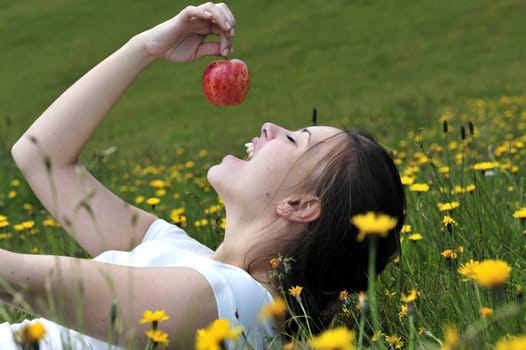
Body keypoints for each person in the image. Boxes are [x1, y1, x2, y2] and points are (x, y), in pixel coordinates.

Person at [1, 2, 405, 349]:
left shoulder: (241, 305)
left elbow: (29, 281)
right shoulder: (184, 254)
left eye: (294, 139)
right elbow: (42, 158)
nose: (269, 127)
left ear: (299, 205)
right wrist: (144, 48)